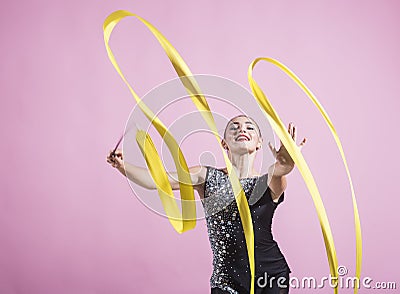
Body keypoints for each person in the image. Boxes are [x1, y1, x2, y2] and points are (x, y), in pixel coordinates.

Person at [107, 115, 306, 294]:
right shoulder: (206, 176)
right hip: (226, 279)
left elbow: (280, 170)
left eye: (249, 127)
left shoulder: (267, 181)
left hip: (269, 275)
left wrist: (286, 162)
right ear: (224, 143)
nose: (242, 130)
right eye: (234, 127)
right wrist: (122, 166)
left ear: (259, 143)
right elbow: (158, 181)